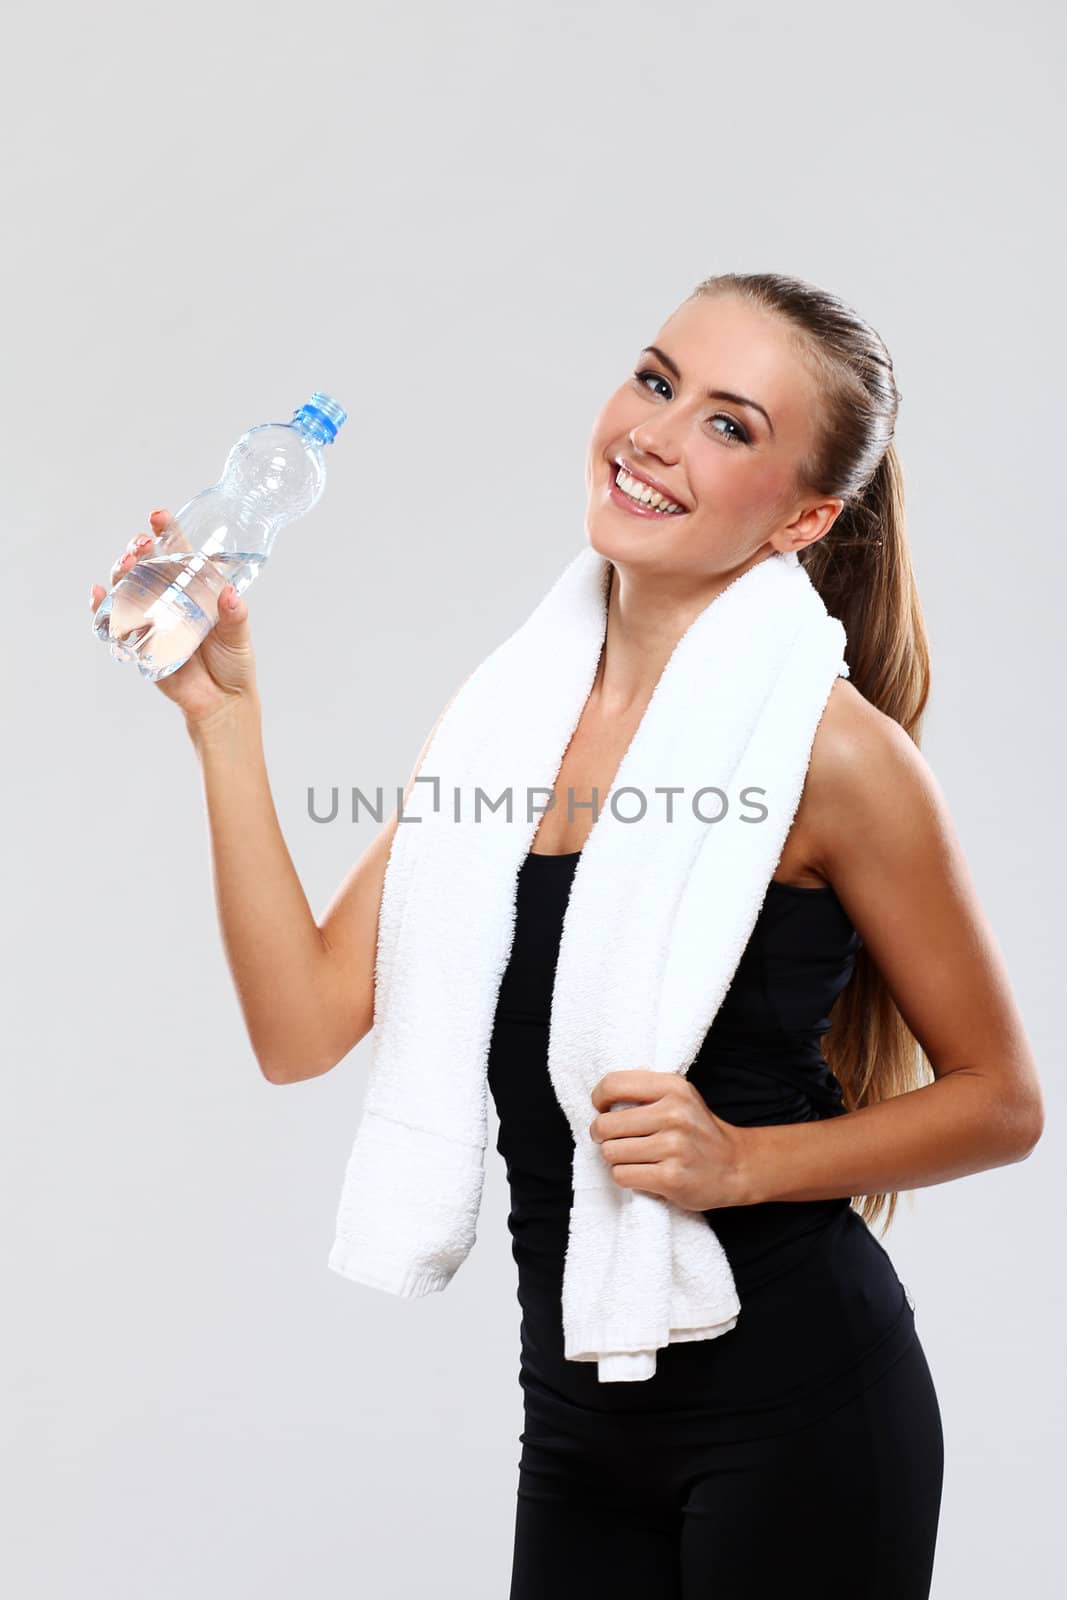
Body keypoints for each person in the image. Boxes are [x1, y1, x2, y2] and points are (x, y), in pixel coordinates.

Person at [89, 272, 1045, 1599]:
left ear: (808, 518)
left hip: (802, 1402)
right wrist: (221, 723)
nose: (654, 434)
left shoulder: (835, 756)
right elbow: (301, 1027)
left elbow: (1004, 1104)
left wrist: (740, 1162)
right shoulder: (503, 723)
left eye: (731, 424)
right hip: (581, 1405)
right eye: (656, 381)